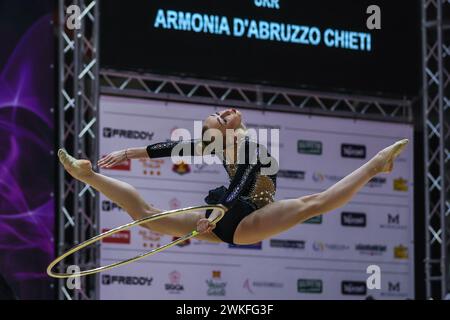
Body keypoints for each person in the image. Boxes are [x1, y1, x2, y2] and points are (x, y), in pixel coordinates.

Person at [58, 108, 408, 245]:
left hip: (245, 214)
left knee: (310, 205)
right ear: (221, 134)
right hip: (237, 218)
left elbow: (242, 184)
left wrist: (212, 216)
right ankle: (88, 176)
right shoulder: (223, 144)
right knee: (145, 215)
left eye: (221, 113)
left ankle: (376, 164)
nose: (227, 112)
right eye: (221, 117)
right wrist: (131, 153)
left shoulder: (249, 147)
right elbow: (175, 149)